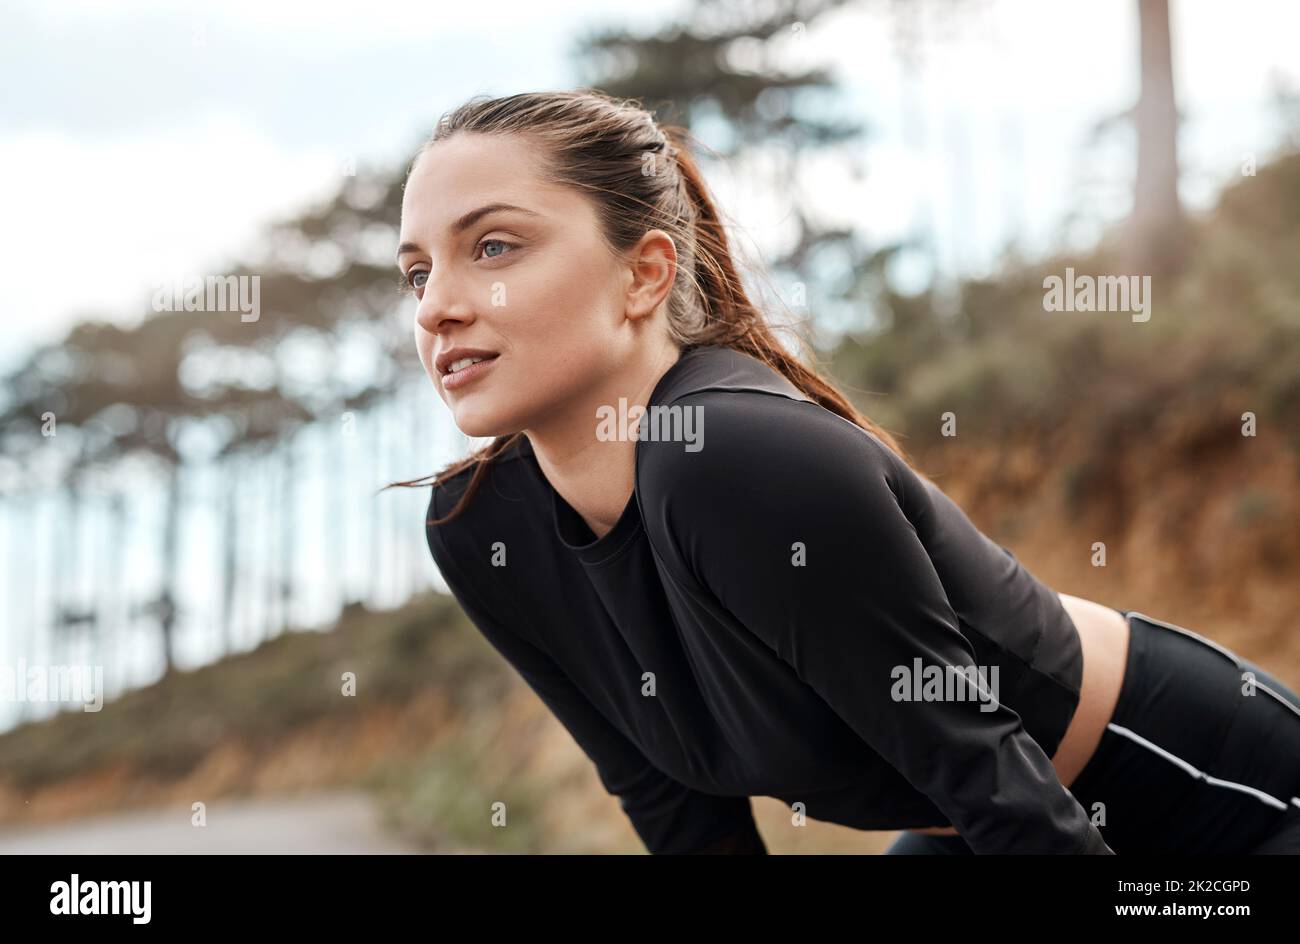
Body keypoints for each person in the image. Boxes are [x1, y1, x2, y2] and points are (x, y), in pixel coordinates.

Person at [388, 89, 1300, 854]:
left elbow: (988, 777)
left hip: (1203, 799)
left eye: (494, 247)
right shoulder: (479, 526)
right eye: (417, 274)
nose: (437, 308)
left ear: (644, 275)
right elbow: (672, 804)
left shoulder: (733, 461)